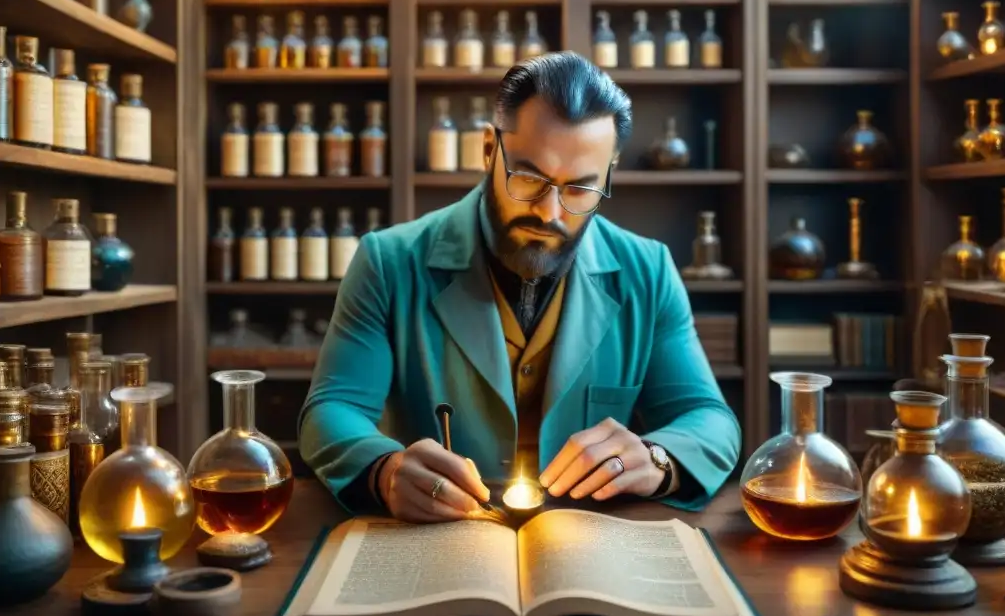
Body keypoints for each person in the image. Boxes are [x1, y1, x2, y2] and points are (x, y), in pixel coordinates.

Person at [299, 51, 741, 523]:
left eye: (579, 189)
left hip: (590, 545)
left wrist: (656, 460)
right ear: (490, 150)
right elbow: (330, 410)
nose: (550, 213)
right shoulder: (388, 261)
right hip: (435, 536)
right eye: (530, 178)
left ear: (609, 172)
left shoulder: (648, 269)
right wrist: (383, 470)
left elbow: (710, 420)